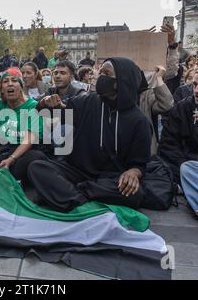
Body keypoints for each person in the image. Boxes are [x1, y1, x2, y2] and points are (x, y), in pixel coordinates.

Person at [28, 57, 152, 212]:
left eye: (106, 73)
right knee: (37, 167)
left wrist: (133, 172)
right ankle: (80, 199)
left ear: (121, 81)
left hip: (110, 178)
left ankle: (69, 195)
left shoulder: (140, 121)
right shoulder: (87, 101)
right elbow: (47, 112)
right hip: (76, 171)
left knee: (135, 193)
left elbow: (139, 164)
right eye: (100, 72)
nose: (99, 77)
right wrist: (44, 102)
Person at [138, 66, 174, 155]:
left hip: (144, 153)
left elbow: (166, 105)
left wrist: (158, 78)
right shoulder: (108, 96)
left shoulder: (145, 95)